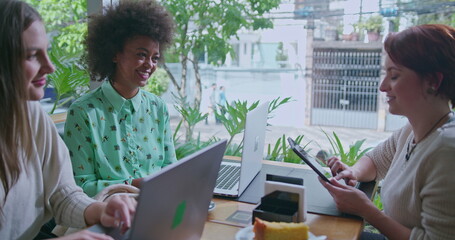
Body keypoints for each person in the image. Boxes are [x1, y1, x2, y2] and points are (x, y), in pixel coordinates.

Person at [0, 0, 136, 239]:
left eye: (47, 51)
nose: (50, 67)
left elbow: (62, 194)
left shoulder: (32, 115)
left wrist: (100, 210)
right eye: (32, 56)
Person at [320, 24, 455, 240]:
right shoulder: (415, 129)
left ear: (433, 81)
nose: (383, 86)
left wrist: (366, 209)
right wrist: (352, 173)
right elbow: (376, 160)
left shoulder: (447, 151)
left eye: (394, 76)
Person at [63, 0, 177, 197]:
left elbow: (171, 168)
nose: (149, 64)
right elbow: (80, 186)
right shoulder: (83, 112)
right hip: (105, 216)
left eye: (155, 58)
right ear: (115, 54)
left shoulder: (158, 107)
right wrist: (133, 185)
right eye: (142, 54)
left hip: (157, 206)